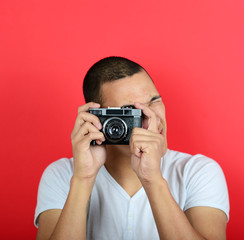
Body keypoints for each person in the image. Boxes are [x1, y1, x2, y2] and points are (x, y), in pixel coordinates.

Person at [35, 56, 229, 240]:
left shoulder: (199, 171)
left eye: (155, 101)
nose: (152, 117)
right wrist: (83, 179)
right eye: (131, 110)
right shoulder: (61, 175)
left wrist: (152, 179)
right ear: (98, 118)